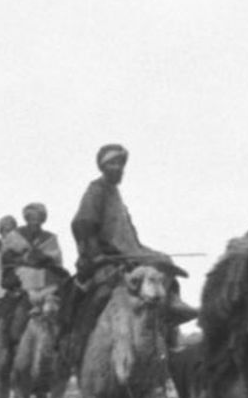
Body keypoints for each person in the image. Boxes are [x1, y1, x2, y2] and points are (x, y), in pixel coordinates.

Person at [62, 144, 199, 368]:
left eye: (120, 164)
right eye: (112, 164)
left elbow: (128, 236)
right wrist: (97, 253)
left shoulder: (116, 195)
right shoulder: (96, 190)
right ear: (103, 167)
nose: (118, 168)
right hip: (104, 256)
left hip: (128, 253)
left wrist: (137, 251)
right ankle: (79, 344)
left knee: (165, 262)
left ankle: (172, 317)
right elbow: (82, 223)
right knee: (100, 293)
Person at [5, 202, 67, 297]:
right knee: (29, 274)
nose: (35, 223)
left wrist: (43, 258)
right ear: (27, 219)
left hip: (46, 273)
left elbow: (55, 259)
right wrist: (24, 258)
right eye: (32, 219)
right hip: (22, 272)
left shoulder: (50, 238)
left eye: (39, 220)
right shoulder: (15, 235)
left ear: (43, 220)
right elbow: (7, 257)